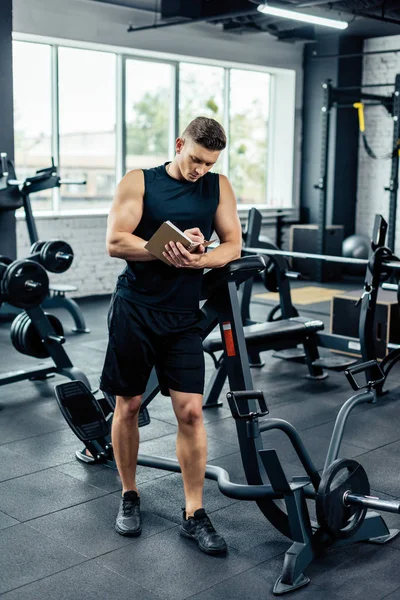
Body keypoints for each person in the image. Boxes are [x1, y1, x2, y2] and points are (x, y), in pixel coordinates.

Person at [100, 116, 242, 555]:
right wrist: (168, 248)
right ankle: (129, 494)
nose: (200, 169)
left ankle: (194, 512)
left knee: (192, 414)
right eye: (195, 159)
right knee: (129, 405)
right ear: (180, 144)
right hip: (136, 310)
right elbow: (116, 241)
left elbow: (233, 244)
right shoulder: (139, 180)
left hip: (183, 316)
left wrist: (199, 259)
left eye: (208, 163)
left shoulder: (218, 186)